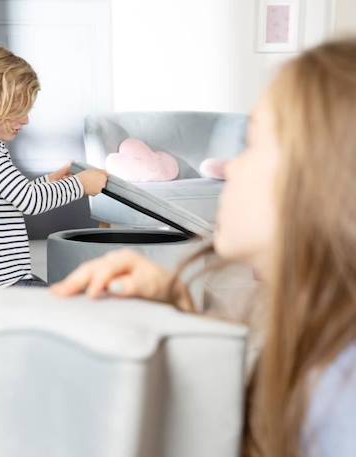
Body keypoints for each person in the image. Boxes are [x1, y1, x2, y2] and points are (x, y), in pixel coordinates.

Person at [51, 38, 356, 457]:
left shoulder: (341, 398)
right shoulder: (323, 348)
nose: (228, 167)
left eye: (253, 146)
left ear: (326, 185)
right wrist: (187, 306)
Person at [0, 44, 107, 287]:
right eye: (18, 111)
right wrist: (81, 185)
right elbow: (29, 201)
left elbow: (6, 194)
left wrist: (49, 180)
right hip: (0, 284)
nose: (26, 120)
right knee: (68, 303)